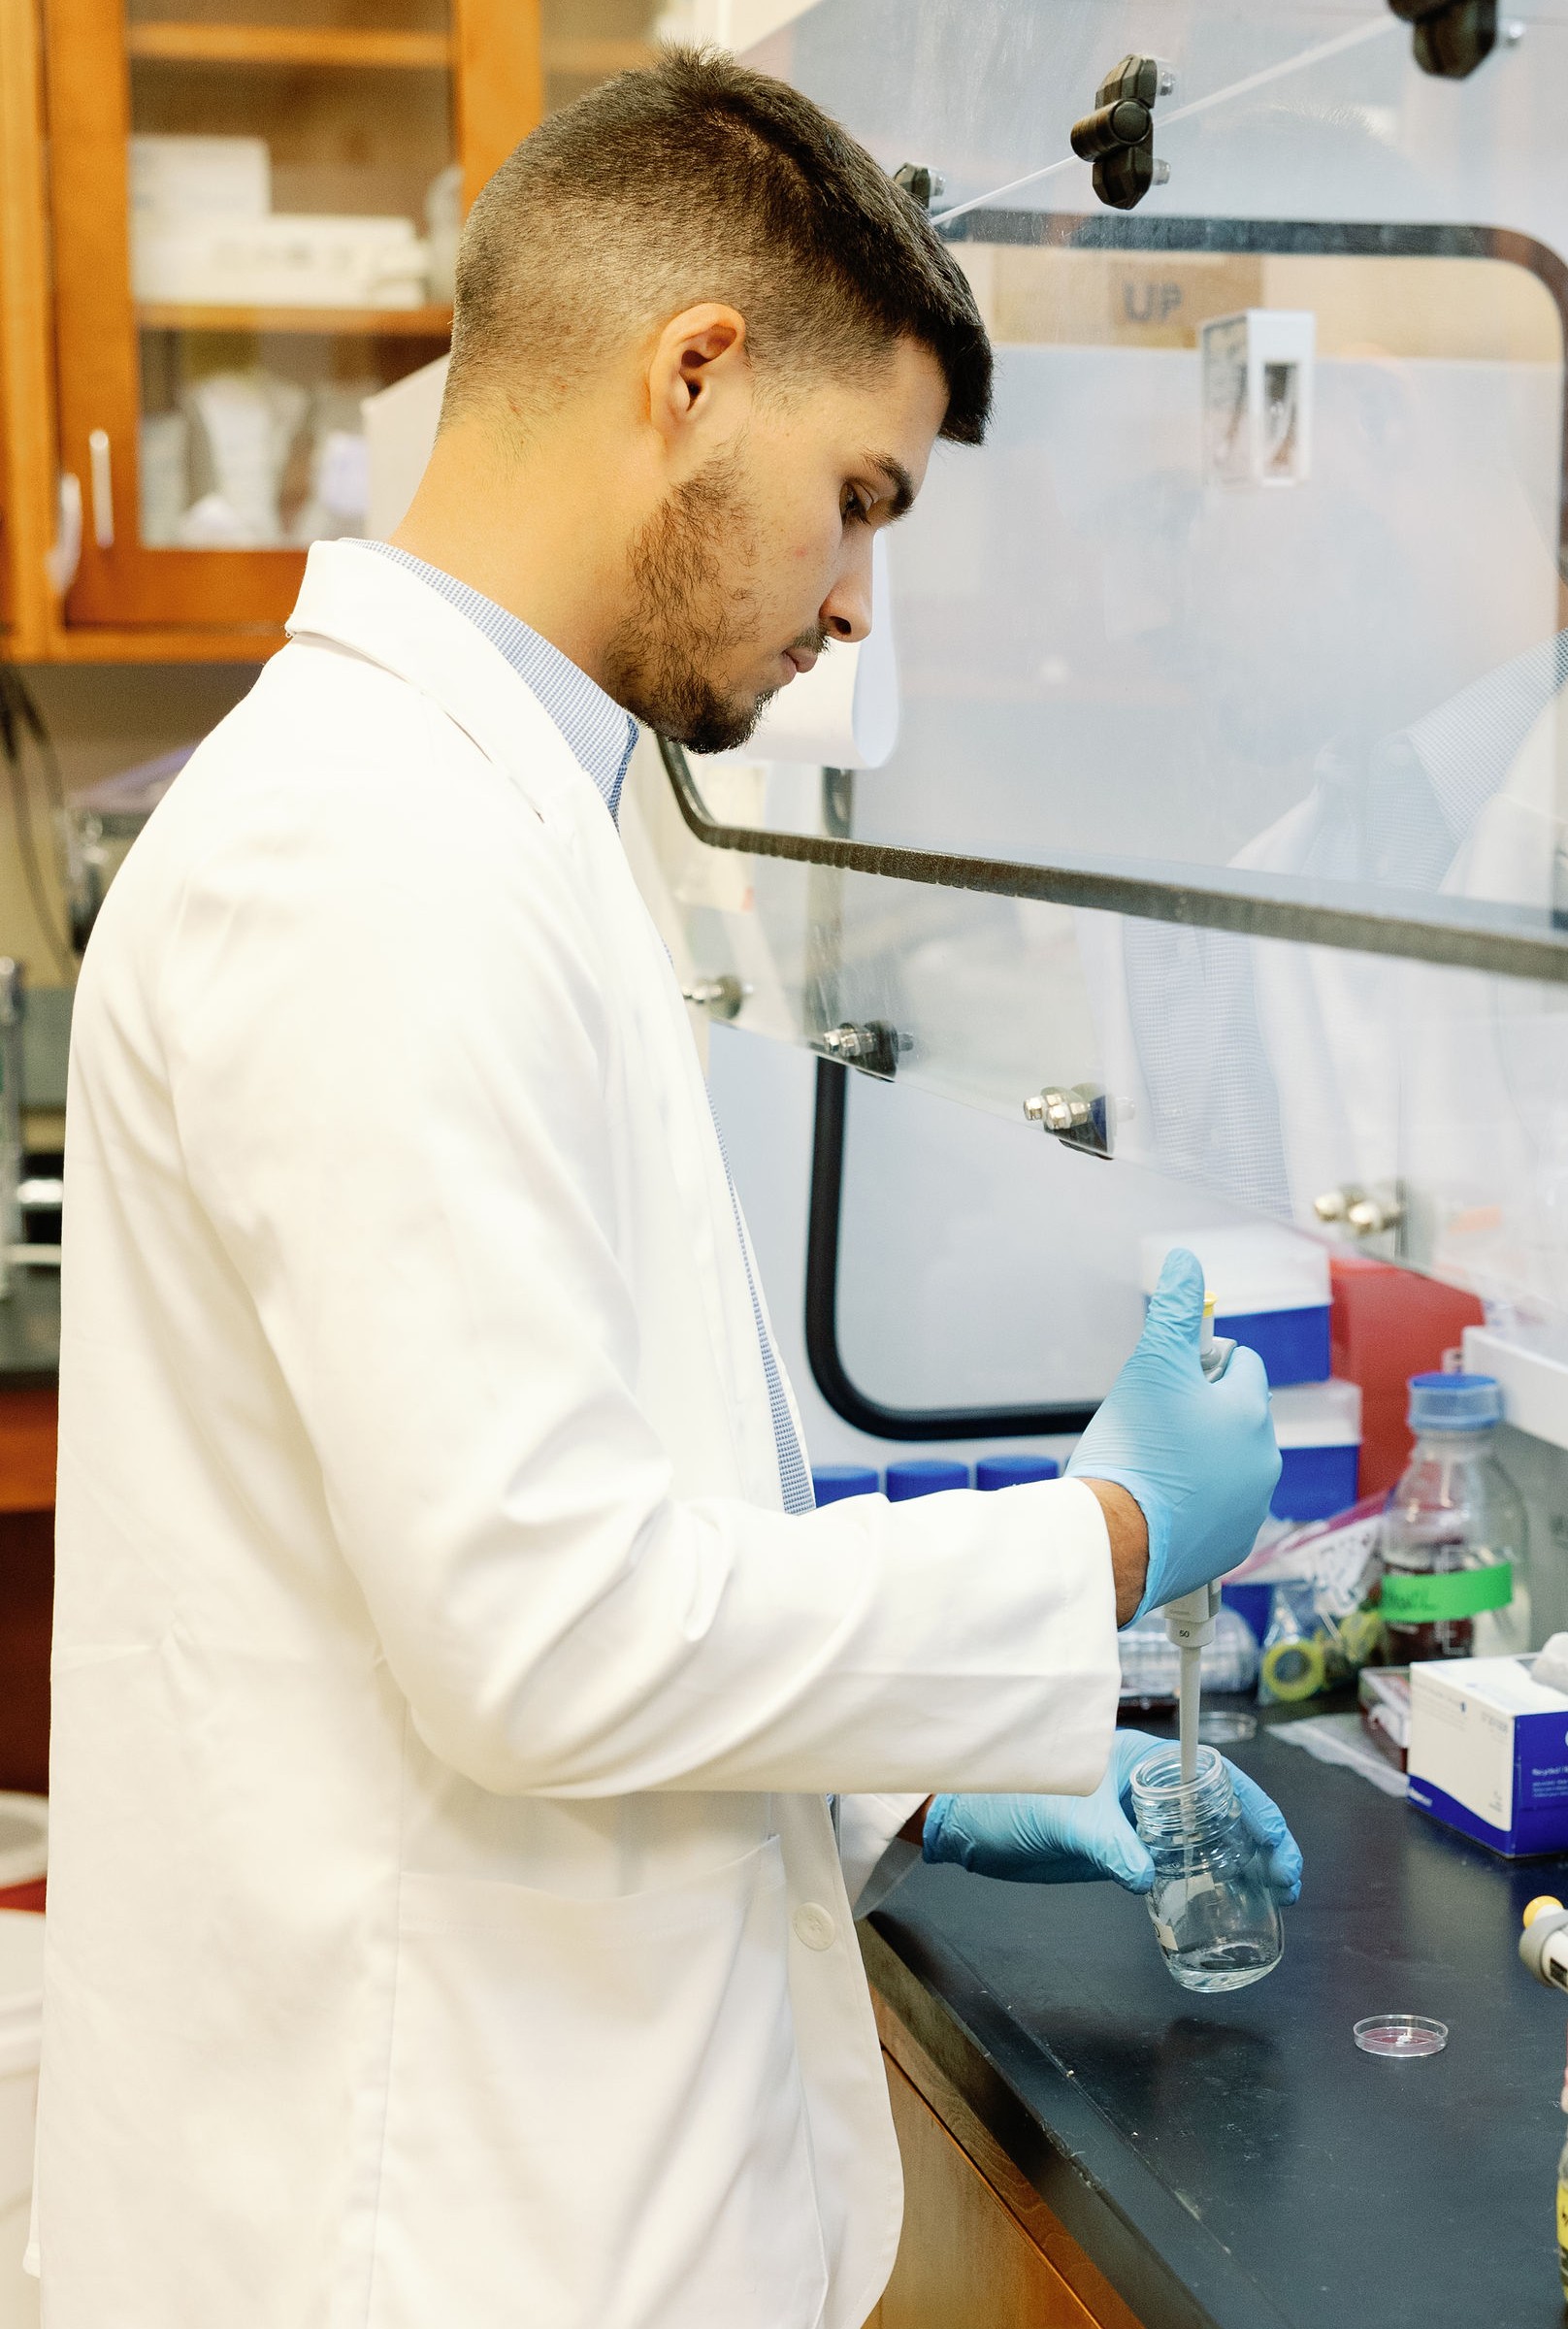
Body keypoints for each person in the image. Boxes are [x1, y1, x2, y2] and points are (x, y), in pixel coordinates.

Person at [36, 51, 1296, 2329]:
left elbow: (549, 1533)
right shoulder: (379, 855)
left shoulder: (498, 813)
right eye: (859, 496)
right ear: (692, 371)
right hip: (420, 2232)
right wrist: (1098, 1546)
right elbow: (552, 1637)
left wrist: (917, 1778)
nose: (851, 604)